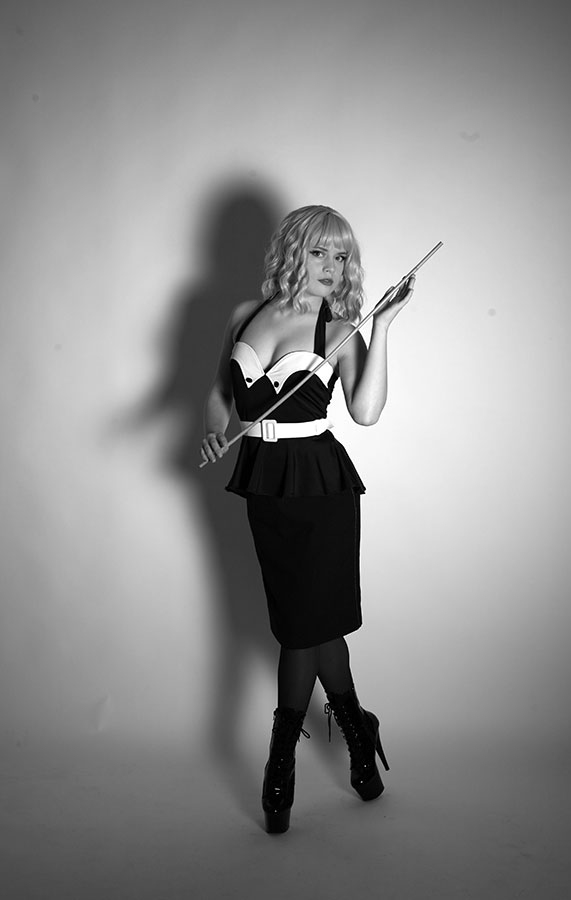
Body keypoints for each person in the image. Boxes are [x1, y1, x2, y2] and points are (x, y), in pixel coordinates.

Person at [200, 205, 415, 833]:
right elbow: (220, 395)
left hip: (320, 485)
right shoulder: (245, 314)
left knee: (299, 631)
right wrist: (214, 432)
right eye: (319, 252)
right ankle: (358, 729)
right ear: (294, 251)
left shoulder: (340, 329)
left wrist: (383, 327)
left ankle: (280, 760)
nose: (331, 266)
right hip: (266, 485)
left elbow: (366, 413)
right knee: (310, 626)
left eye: (341, 256)